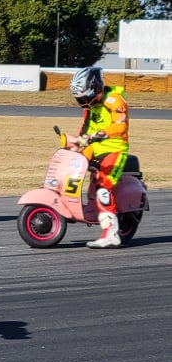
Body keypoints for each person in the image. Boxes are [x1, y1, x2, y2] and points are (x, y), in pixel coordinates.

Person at [67, 67, 129, 249]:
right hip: (94, 147)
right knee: (70, 166)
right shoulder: (90, 107)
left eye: (85, 97)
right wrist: (77, 142)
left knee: (103, 186)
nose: (83, 102)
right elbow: (85, 129)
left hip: (115, 149)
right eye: (80, 99)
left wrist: (102, 133)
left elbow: (121, 126)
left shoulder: (114, 100)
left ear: (96, 88)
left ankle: (111, 234)